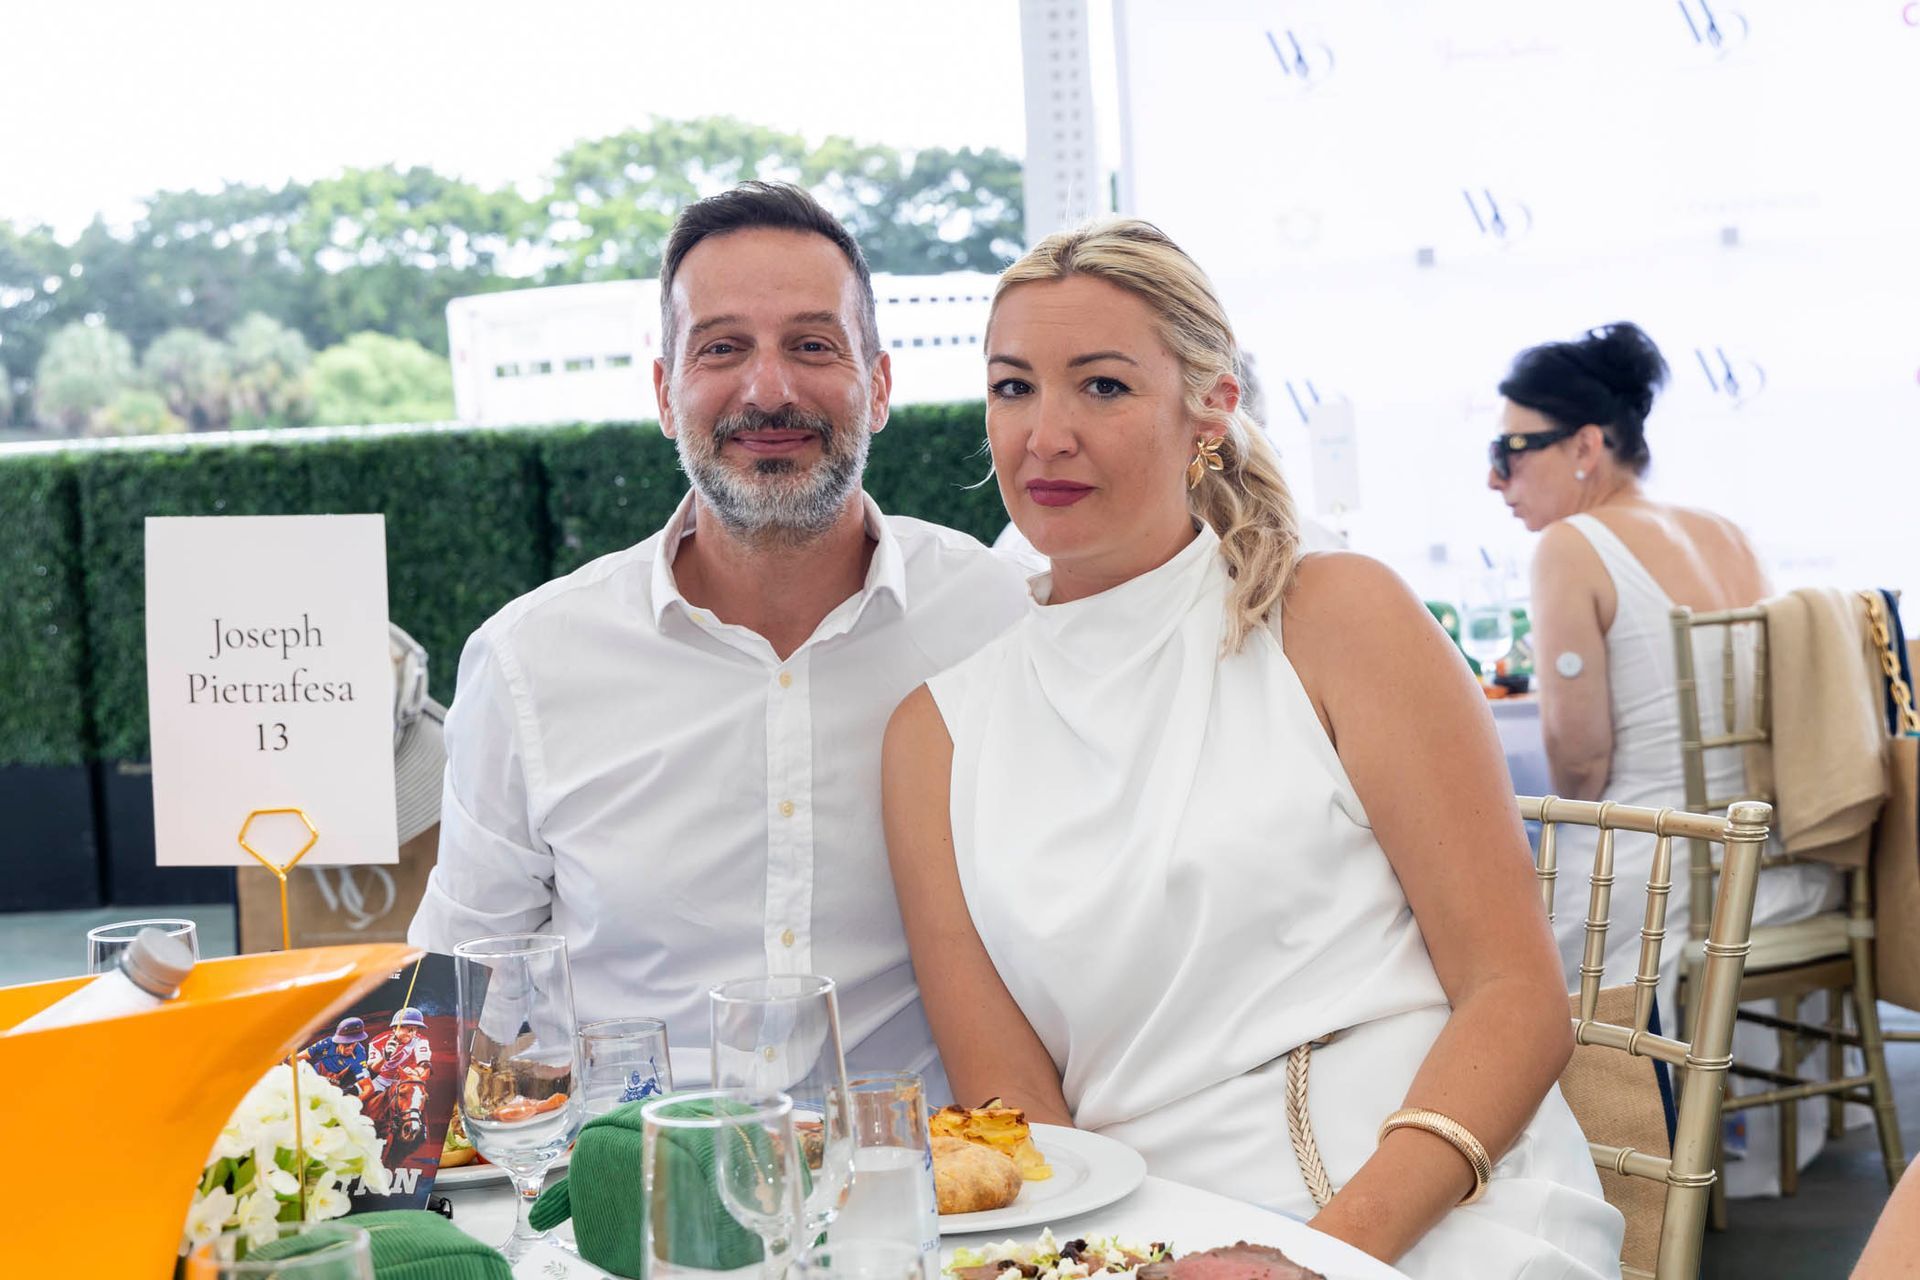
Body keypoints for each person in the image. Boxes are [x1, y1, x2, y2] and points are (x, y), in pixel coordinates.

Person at [884, 219, 1623, 1277]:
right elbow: (1021, 1126)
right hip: (1137, 1239)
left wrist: (1323, 1256)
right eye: (1013, 388)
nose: (1045, 434)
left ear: (1211, 406)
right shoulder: (935, 739)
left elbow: (1517, 993)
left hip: (1429, 1201)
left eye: (1101, 386)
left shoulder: (1339, 616)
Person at [409, 183, 1029, 1092]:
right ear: (666, 394)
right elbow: (452, 1001)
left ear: (881, 386)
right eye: (721, 348)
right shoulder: (529, 664)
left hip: (932, 1202)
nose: (768, 389)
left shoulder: (998, 617)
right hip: (629, 1210)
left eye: (813, 346)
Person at [1488, 322, 1839, 1195]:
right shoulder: (1726, 531)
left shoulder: (1570, 547)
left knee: (1496, 918)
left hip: (1666, 880)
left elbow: (1580, 765)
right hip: (1780, 866)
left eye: (1512, 449)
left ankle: (1590, 1171)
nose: (1494, 477)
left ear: (1585, 446)